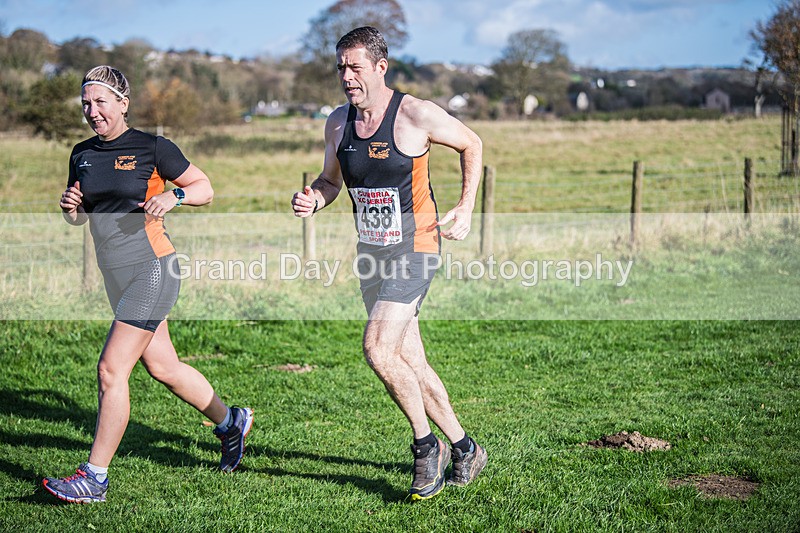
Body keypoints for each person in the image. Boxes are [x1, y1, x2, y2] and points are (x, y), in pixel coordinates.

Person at [291, 27, 487, 501]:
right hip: (371, 254)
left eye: (355, 67)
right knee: (409, 360)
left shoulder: (416, 114)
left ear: (381, 67)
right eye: (341, 67)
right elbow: (330, 181)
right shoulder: (337, 123)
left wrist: (465, 206)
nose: (346, 77)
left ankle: (426, 446)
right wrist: (315, 198)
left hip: (416, 247)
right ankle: (466, 448)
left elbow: (472, 143)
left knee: (378, 349)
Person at [43, 66, 253, 504]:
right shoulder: (81, 154)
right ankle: (231, 421)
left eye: (101, 102)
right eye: (86, 103)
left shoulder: (152, 147)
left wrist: (174, 196)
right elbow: (81, 215)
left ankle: (94, 478)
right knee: (164, 368)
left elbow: (204, 187)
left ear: (123, 103)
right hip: (114, 274)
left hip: (153, 268)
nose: (92, 111)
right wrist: (71, 207)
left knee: (111, 369)